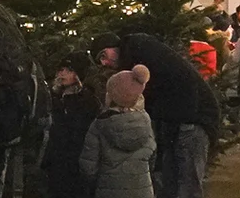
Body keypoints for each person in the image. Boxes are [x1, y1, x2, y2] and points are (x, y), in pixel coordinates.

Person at [93, 33, 219, 198]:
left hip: (192, 118)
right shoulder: (138, 53)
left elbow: (173, 84)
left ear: (113, 46)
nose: (105, 63)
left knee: (187, 184)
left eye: (103, 55)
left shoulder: (140, 51)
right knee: (172, 182)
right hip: (179, 120)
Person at [81, 64, 155, 198]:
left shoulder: (100, 125)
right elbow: (152, 158)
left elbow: (89, 167)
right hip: (142, 191)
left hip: (108, 191)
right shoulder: (145, 122)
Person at [42, 54, 101, 198]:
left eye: (68, 70)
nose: (62, 73)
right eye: (60, 69)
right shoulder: (52, 97)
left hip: (76, 161)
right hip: (55, 162)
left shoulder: (88, 100)